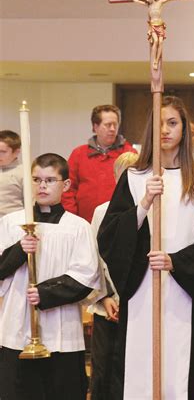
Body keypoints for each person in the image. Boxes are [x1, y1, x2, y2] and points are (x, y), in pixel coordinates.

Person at [97, 96, 194, 399]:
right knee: (139, 366)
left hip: (183, 288)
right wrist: (143, 205)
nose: (166, 130)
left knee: (179, 367)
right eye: (159, 123)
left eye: (173, 123)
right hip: (142, 287)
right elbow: (109, 235)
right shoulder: (134, 178)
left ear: (184, 129)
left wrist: (175, 262)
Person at [0, 153, 101, 400]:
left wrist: (45, 292)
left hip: (62, 329)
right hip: (18, 325)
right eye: (36, 179)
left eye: (49, 180)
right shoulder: (12, 222)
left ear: (65, 185)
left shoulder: (78, 227)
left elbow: (87, 276)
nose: (42, 186)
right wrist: (19, 250)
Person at [89, 151, 139, 400]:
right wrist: (105, 296)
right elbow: (95, 257)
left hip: (137, 303)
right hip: (106, 304)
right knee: (103, 370)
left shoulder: (148, 210)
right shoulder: (102, 211)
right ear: (115, 177)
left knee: (130, 369)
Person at [62, 104, 136, 223]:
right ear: (95, 127)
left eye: (115, 124)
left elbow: (136, 188)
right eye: (107, 125)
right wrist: (72, 219)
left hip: (119, 222)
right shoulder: (79, 154)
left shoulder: (129, 154)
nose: (112, 129)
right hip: (84, 222)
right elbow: (67, 190)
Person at [125, 0, 185, 70]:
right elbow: (137, 1)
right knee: (156, 41)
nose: (147, 0)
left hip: (160, 25)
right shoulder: (148, 6)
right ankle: (154, 61)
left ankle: (157, 60)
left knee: (160, 42)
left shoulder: (159, 3)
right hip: (153, 25)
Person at [0, 130, 23, 218]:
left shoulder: (24, 173)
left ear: (16, 152)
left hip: (13, 224)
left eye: (3, 152)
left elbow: (32, 204)